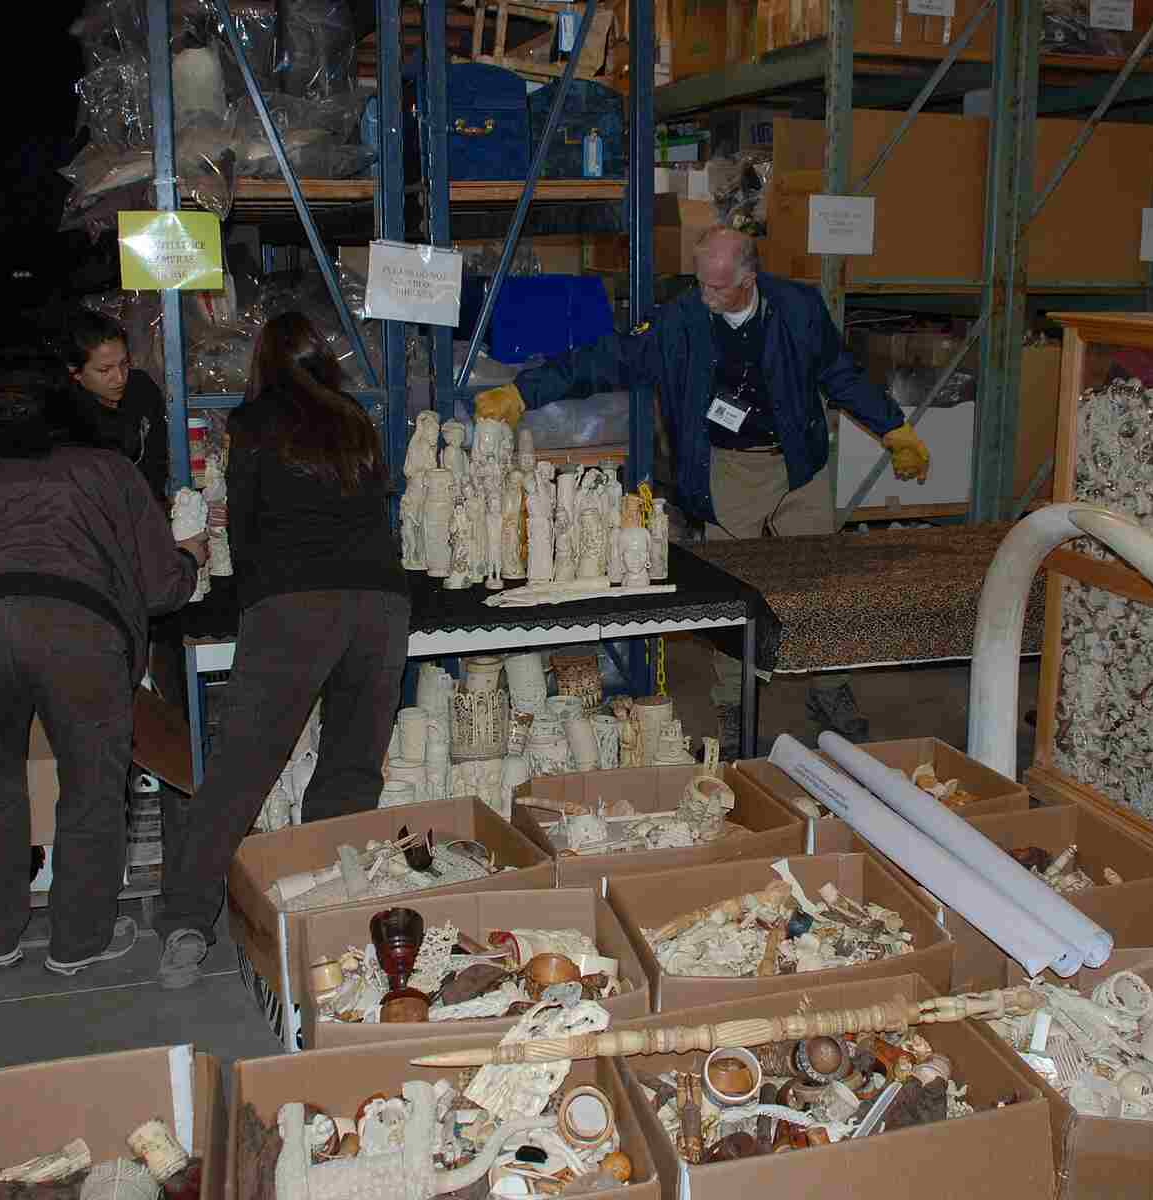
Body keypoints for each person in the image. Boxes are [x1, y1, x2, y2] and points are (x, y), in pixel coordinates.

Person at [473, 225, 932, 750]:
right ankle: (734, 704)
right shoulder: (681, 319)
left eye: (717, 288)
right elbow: (605, 360)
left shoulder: (799, 308)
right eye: (700, 284)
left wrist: (893, 428)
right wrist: (523, 391)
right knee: (732, 597)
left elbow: (840, 373)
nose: (705, 297)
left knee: (820, 586)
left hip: (798, 465)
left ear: (749, 276)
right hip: (728, 471)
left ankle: (829, 688)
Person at [153, 311, 410, 989]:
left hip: (298, 603)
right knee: (351, 769)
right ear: (323, 359)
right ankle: (334, 920)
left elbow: (248, 525)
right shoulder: (353, 416)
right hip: (379, 603)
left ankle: (185, 923)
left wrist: (252, 604)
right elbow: (376, 506)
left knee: (240, 772)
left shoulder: (252, 421)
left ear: (263, 363)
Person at [0, 396, 204, 976]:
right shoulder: (110, 472)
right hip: (76, 629)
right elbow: (159, 586)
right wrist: (190, 559)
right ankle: (78, 942)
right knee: (91, 787)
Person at [56, 310, 169, 503]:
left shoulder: (142, 390)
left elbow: (157, 462)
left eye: (124, 364)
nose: (119, 377)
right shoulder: (64, 418)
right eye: (104, 370)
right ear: (75, 372)